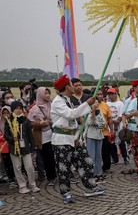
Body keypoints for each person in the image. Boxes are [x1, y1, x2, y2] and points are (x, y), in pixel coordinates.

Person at [50, 75, 105, 203]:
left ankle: (90, 187)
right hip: (61, 140)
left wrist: (77, 136)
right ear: (67, 87)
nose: (74, 86)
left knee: (86, 161)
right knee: (64, 168)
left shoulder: (67, 99)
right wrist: (87, 103)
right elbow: (71, 114)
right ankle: (66, 193)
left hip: (74, 138)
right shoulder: (58, 101)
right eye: (71, 84)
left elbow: (75, 119)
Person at [4, 101, 40, 194]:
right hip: (14, 148)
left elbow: (30, 135)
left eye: (20, 108)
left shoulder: (26, 120)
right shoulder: (9, 121)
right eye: (16, 108)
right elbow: (6, 135)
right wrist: (12, 139)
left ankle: (32, 184)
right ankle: (22, 185)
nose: (18, 110)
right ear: (13, 110)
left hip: (25, 148)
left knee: (29, 166)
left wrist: (33, 147)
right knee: (17, 167)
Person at [28, 87, 57, 186]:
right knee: (47, 158)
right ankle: (51, 177)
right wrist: (40, 123)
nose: (48, 95)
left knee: (55, 156)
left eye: (49, 93)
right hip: (42, 137)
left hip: (54, 134)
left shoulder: (53, 104)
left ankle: (58, 174)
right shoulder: (34, 108)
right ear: (40, 95)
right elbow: (29, 123)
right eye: (45, 93)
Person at [84, 100, 106, 182]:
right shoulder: (88, 112)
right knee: (91, 155)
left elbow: (103, 123)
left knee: (98, 156)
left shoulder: (99, 112)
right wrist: (93, 112)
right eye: (94, 103)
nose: (96, 104)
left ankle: (98, 173)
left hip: (99, 136)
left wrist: (97, 124)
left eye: (97, 103)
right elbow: (90, 122)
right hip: (91, 136)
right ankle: (91, 173)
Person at [107, 88, 127, 165]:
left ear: (116, 94)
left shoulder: (120, 103)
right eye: (109, 94)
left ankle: (125, 157)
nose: (110, 96)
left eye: (112, 94)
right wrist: (111, 122)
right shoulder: (107, 104)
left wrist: (117, 122)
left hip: (119, 126)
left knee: (122, 142)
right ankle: (115, 158)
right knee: (111, 143)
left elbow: (121, 114)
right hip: (110, 126)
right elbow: (107, 115)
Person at [0, 106, 15, 188]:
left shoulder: (14, 121)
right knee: (7, 164)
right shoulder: (0, 122)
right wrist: (5, 137)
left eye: (7, 113)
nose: (6, 115)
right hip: (4, 147)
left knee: (15, 163)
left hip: (13, 146)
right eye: (4, 113)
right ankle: (11, 179)